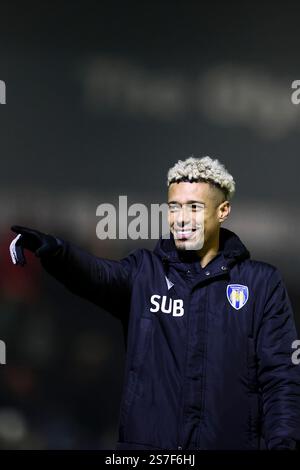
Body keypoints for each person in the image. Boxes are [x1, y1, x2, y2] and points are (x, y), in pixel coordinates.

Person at [9, 156, 300, 450]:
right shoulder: (145, 272)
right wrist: (57, 253)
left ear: (222, 211)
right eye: (174, 207)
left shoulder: (261, 284)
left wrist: (283, 444)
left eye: (194, 207)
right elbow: (98, 274)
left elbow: (282, 378)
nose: (181, 218)